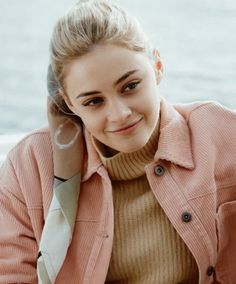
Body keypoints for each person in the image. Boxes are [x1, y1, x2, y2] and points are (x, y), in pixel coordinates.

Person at [0, 0, 236, 283]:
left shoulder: (223, 133)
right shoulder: (28, 167)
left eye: (131, 86)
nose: (120, 114)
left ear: (157, 66)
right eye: (94, 101)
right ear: (70, 104)